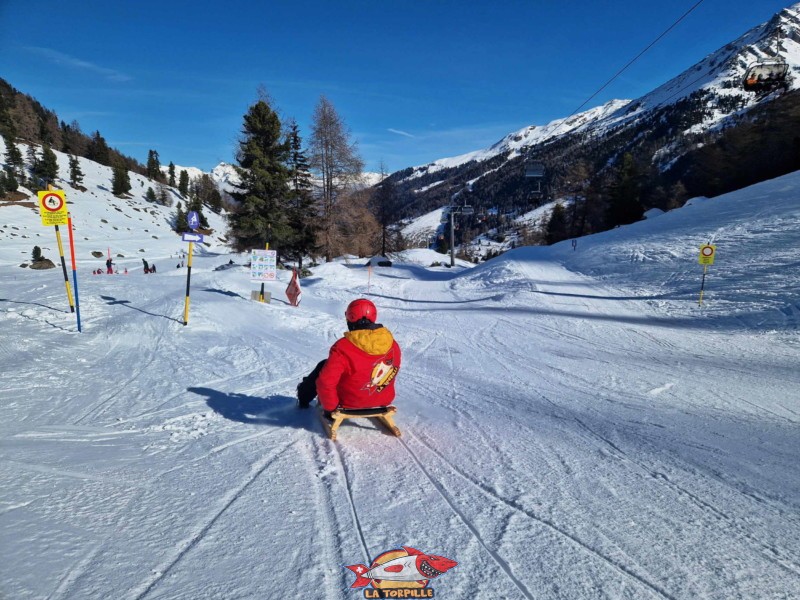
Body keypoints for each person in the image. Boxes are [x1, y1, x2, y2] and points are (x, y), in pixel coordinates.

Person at [297, 299, 401, 418]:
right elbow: (392, 371)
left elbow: (325, 383)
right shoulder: (393, 344)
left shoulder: (343, 347)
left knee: (324, 366)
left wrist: (331, 409)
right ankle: (373, 400)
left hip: (350, 403)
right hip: (383, 401)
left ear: (350, 318)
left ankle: (303, 398)